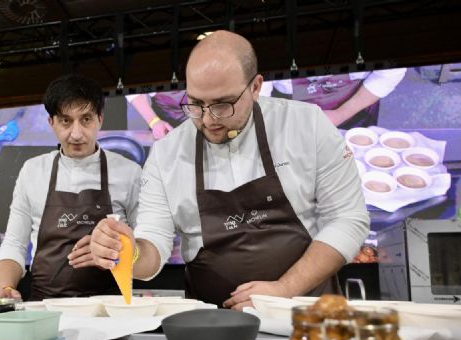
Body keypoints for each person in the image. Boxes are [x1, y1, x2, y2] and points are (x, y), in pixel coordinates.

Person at [90, 30, 370, 310]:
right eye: (196, 104)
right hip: (214, 329)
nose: (209, 119)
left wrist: (285, 289)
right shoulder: (166, 155)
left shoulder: (306, 125)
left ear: (256, 87)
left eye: (223, 104)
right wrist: (130, 251)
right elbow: (154, 245)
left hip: (309, 318)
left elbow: (348, 219)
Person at [0, 74, 141, 300]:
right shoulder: (32, 171)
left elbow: (146, 245)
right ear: (51, 122)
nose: (76, 134)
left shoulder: (129, 172)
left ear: (100, 119)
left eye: (86, 119)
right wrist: (5, 288)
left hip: (109, 310)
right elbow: (14, 243)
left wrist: (118, 250)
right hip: (45, 308)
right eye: (65, 121)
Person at [260, 68, 407, 128]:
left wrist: (341, 114)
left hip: (356, 108)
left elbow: (389, 73)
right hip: (290, 117)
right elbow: (259, 95)